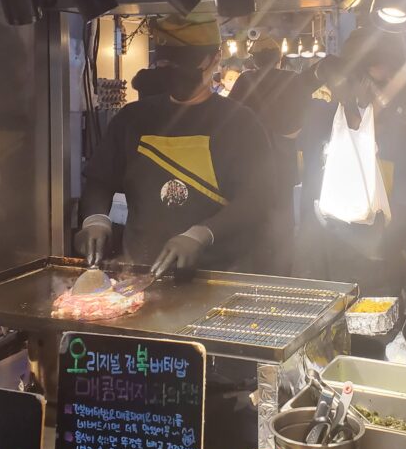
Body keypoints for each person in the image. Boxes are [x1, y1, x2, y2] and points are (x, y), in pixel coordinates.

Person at [76, 15, 275, 277]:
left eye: (185, 64)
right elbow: (99, 180)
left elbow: (257, 198)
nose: (175, 73)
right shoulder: (132, 119)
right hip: (141, 271)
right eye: (167, 63)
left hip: (216, 274)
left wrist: (202, 234)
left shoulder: (240, 123)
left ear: (215, 58)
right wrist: (96, 219)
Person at [297, 28, 406, 295]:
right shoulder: (319, 124)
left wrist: (334, 226)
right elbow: (275, 110)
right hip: (314, 277)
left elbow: (393, 232)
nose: (366, 90)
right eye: (355, 76)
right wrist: (317, 72)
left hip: (377, 285)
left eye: (378, 81)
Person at [228, 34, 335, 271]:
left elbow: (230, 116)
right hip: (285, 155)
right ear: (280, 58)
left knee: (253, 207)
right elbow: (306, 114)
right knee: (283, 211)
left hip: (249, 157)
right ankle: (282, 266)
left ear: (254, 60)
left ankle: (256, 262)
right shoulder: (293, 79)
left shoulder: (245, 81)